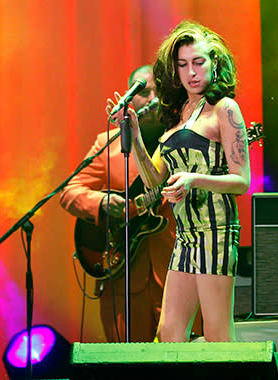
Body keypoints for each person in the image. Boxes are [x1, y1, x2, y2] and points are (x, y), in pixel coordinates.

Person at [111, 21, 250, 342]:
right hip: (185, 236)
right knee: (169, 333)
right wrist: (132, 132)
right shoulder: (178, 114)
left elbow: (242, 180)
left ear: (215, 62)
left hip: (215, 231)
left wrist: (194, 179)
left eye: (199, 62)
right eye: (183, 65)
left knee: (216, 333)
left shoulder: (224, 109)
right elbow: (153, 181)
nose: (192, 72)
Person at [60, 65, 196, 342]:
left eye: (159, 91)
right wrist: (100, 202)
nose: (152, 99)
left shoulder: (187, 139)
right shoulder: (106, 144)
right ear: (128, 98)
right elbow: (69, 192)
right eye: (143, 92)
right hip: (122, 275)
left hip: (175, 272)